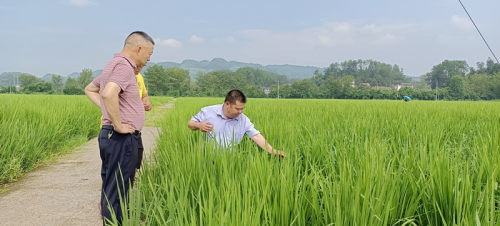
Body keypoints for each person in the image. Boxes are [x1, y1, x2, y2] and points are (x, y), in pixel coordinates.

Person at [84, 31, 154, 224]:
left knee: (112, 187)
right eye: (149, 54)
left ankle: (114, 221)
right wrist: (119, 124)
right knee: (118, 189)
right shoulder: (124, 66)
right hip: (120, 138)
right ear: (139, 48)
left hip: (110, 137)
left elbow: (90, 88)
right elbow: (108, 93)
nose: (149, 59)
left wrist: (108, 110)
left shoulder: (113, 64)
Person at [188, 89, 286, 157]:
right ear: (227, 104)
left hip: (230, 162)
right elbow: (190, 123)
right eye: (237, 109)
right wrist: (198, 125)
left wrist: (272, 150)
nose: (240, 112)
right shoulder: (208, 112)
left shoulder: (243, 120)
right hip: (207, 159)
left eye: (242, 108)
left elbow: (256, 136)